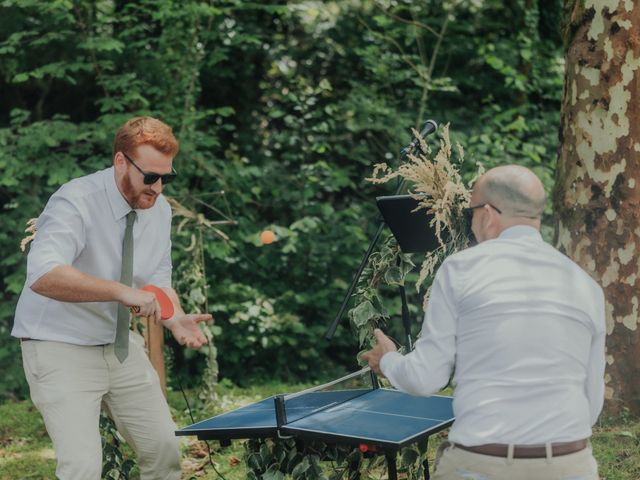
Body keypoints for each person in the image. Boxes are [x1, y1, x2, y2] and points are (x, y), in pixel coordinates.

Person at [363, 165, 605, 479]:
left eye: (471, 214)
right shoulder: (586, 285)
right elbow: (592, 405)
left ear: (487, 214)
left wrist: (390, 359)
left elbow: (425, 378)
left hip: (482, 463)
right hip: (570, 463)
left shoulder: (461, 269)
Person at [12, 116, 212, 480]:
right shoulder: (76, 199)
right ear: (121, 161)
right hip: (59, 347)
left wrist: (174, 315)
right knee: (83, 469)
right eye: (150, 177)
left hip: (119, 347)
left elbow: (156, 280)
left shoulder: (159, 209)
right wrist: (121, 292)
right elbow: (43, 275)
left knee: (165, 453)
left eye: (167, 177)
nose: (158, 187)